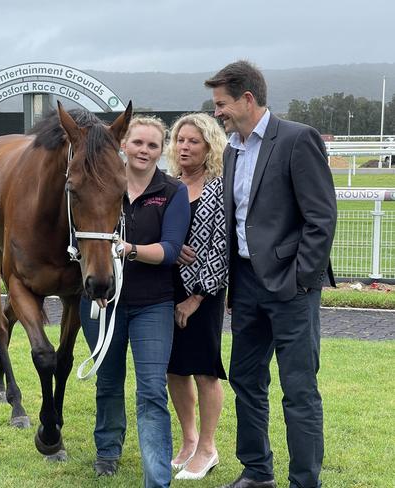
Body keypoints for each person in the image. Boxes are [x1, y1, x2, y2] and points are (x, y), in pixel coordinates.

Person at [204, 61, 337, 488]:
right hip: (244, 285)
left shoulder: (298, 139)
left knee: (298, 390)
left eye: (222, 104)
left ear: (247, 98)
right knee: (246, 379)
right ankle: (258, 472)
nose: (218, 112)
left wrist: (301, 278)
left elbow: (321, 218)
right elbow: (236, 218)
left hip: (291, 288)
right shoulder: (230, 149)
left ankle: (304, 481)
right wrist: (229, 281)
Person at [80, 115, 190, 487]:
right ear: (123, 145)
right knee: (108, 381)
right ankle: (107, 450)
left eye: (152, 145)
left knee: (151, 390)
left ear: (161, 151)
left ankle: (156, 478)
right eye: (137, 143)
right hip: (103, 302)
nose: (144, 150)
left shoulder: (172, 193)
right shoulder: (99, 184)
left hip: (152, 305)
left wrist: (130, 250)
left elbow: (172, 250)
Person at [165, 113, 228, 481]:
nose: (184, 147)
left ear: (209, 146)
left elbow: (222, 246)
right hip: (167, 288)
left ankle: (207, 447)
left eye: (193, 141)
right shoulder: (171, 186)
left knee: (205, 369)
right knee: (174, 367)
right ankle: (188, 441)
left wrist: (197, 297)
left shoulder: (219, 188)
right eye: (180, 140)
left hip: (205, 291)